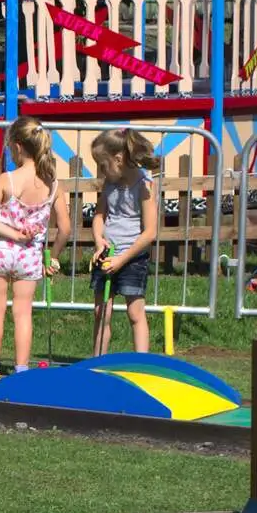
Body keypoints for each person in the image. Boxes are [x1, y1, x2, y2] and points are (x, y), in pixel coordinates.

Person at [0, 116, 71, 375]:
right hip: (29, 256)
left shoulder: (7, 179)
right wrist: (52, 257)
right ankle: (21, 370)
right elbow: (65, 228)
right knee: (23, 313)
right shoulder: (53, 186)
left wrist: (11, 233)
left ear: (17, 146)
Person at [90, 128, 160, 356]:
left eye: (102, 164)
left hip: (132, 257)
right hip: (107, 254)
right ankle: (97, 363)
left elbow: (149, 233)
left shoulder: (144, 185)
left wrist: (121, 259)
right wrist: (99, 241)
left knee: (135, 313)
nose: (100, 170)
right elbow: (99, 215)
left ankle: (142, 366)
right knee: (102, 313)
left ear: (118, 159)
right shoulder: (110, 184)